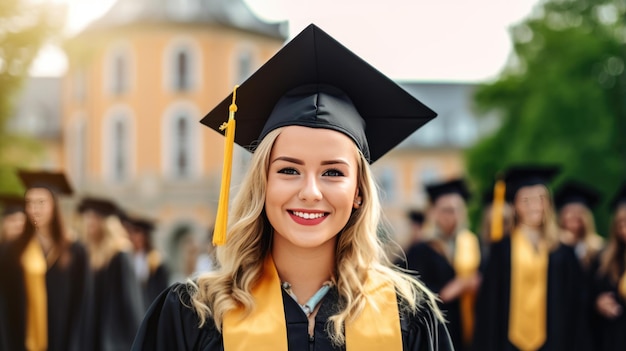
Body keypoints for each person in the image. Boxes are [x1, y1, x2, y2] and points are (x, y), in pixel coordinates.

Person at [131, 24, 453, 350]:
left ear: (359, 192)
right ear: (263, 184)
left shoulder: (407, 316)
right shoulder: (195, 314)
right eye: (288, 169)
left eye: (333, 173)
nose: (311, 191)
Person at [472, 165, 592, 351]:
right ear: (514, 206)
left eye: (540, 199)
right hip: (507, 343)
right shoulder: (501, 250)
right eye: (526, 200)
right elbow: (489, 306)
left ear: (549, 203)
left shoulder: (563, 251)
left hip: (555, 341)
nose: (534, 206)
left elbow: (575, 304)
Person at [0, 170, 89, 351]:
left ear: (54, 206)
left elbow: (83, 304)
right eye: (29, 203)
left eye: (41, 202)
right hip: (20, 342)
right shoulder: (12, 251)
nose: (34, 209)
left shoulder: (75, 251)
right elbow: (5, 304)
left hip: (64, 342)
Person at [405, 178, 481, 350]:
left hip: (468, 330)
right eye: (446, 210)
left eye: (456, 210)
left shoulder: (471, 243)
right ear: (434, 213)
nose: (451, 216)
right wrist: (452, 290)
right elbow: (413, 294)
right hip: (436, 330)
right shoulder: (420, 249)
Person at [77, 196, 144, 351]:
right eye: (87, 218)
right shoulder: (87, 254)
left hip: (113, 337)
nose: (89, 222)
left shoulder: (120, 254)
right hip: (90, 333)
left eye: (94, 217)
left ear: (105, 222)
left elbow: (131, 301)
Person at [589, 182, 626, 350]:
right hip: (613, 337)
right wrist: (597, 302)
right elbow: (589, 292)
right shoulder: (603, 259)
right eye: (622, 223)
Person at [121, 210, 170, 312]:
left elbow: (161, 290)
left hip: (149, 306)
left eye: (137, 232)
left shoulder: (155, 260)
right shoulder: (125, 257)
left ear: (145, 236)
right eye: (131, 233)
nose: (133, 237)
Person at [554, 180, 604, 270]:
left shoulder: (598, 248)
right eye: (569, 212)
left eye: (579, 212)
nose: (574, 216)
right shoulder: (553, 245)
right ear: (561, 216)